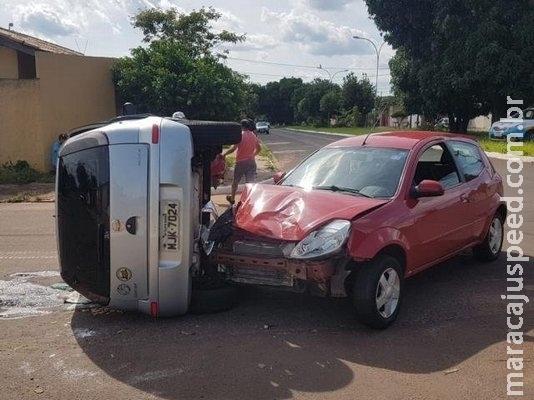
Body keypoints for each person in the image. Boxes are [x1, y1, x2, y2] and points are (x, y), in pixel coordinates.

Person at [223, 119, 262, 205]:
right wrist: (253, 155)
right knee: (250, 183)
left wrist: (224, 154)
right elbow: (259, 149)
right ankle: (249, 201)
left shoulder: (240, 135)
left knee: (235, 182)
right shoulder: (253, 135)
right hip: (251, 162)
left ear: (241, 126)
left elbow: (233, 149)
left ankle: (232, 199)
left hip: (241, 162)